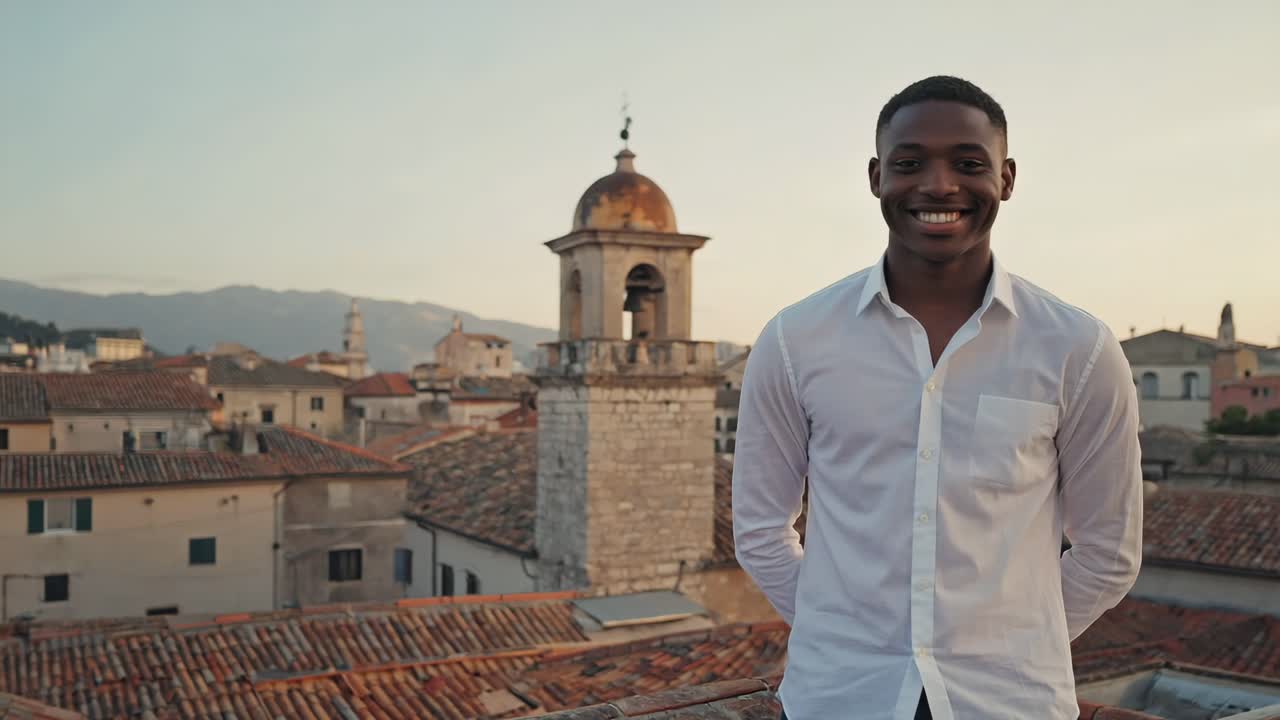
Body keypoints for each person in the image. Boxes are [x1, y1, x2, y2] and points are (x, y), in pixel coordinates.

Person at [732, 76, 1143, 720]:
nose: (940, 185)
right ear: (876, 177)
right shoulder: (795, 340)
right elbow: (760, 531)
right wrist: (840, 632)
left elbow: (1108, 550)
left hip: (1010, 705)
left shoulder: (1077, 348)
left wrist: (1012, 645)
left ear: (1007, 178)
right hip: (838, 700)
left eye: (969, 164)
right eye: (910, 163)